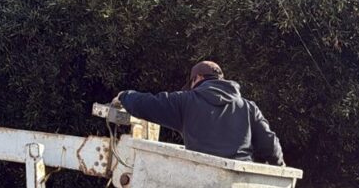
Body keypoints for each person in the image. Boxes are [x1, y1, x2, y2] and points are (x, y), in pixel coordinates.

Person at [113, 61, 284, 165]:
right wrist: (280, 168)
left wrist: (125, 96)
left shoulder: (186, 101)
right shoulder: (248, 108)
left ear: (198, 78)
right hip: (241, 184)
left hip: (201, 180)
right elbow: (271, 145)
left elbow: (149, 104)